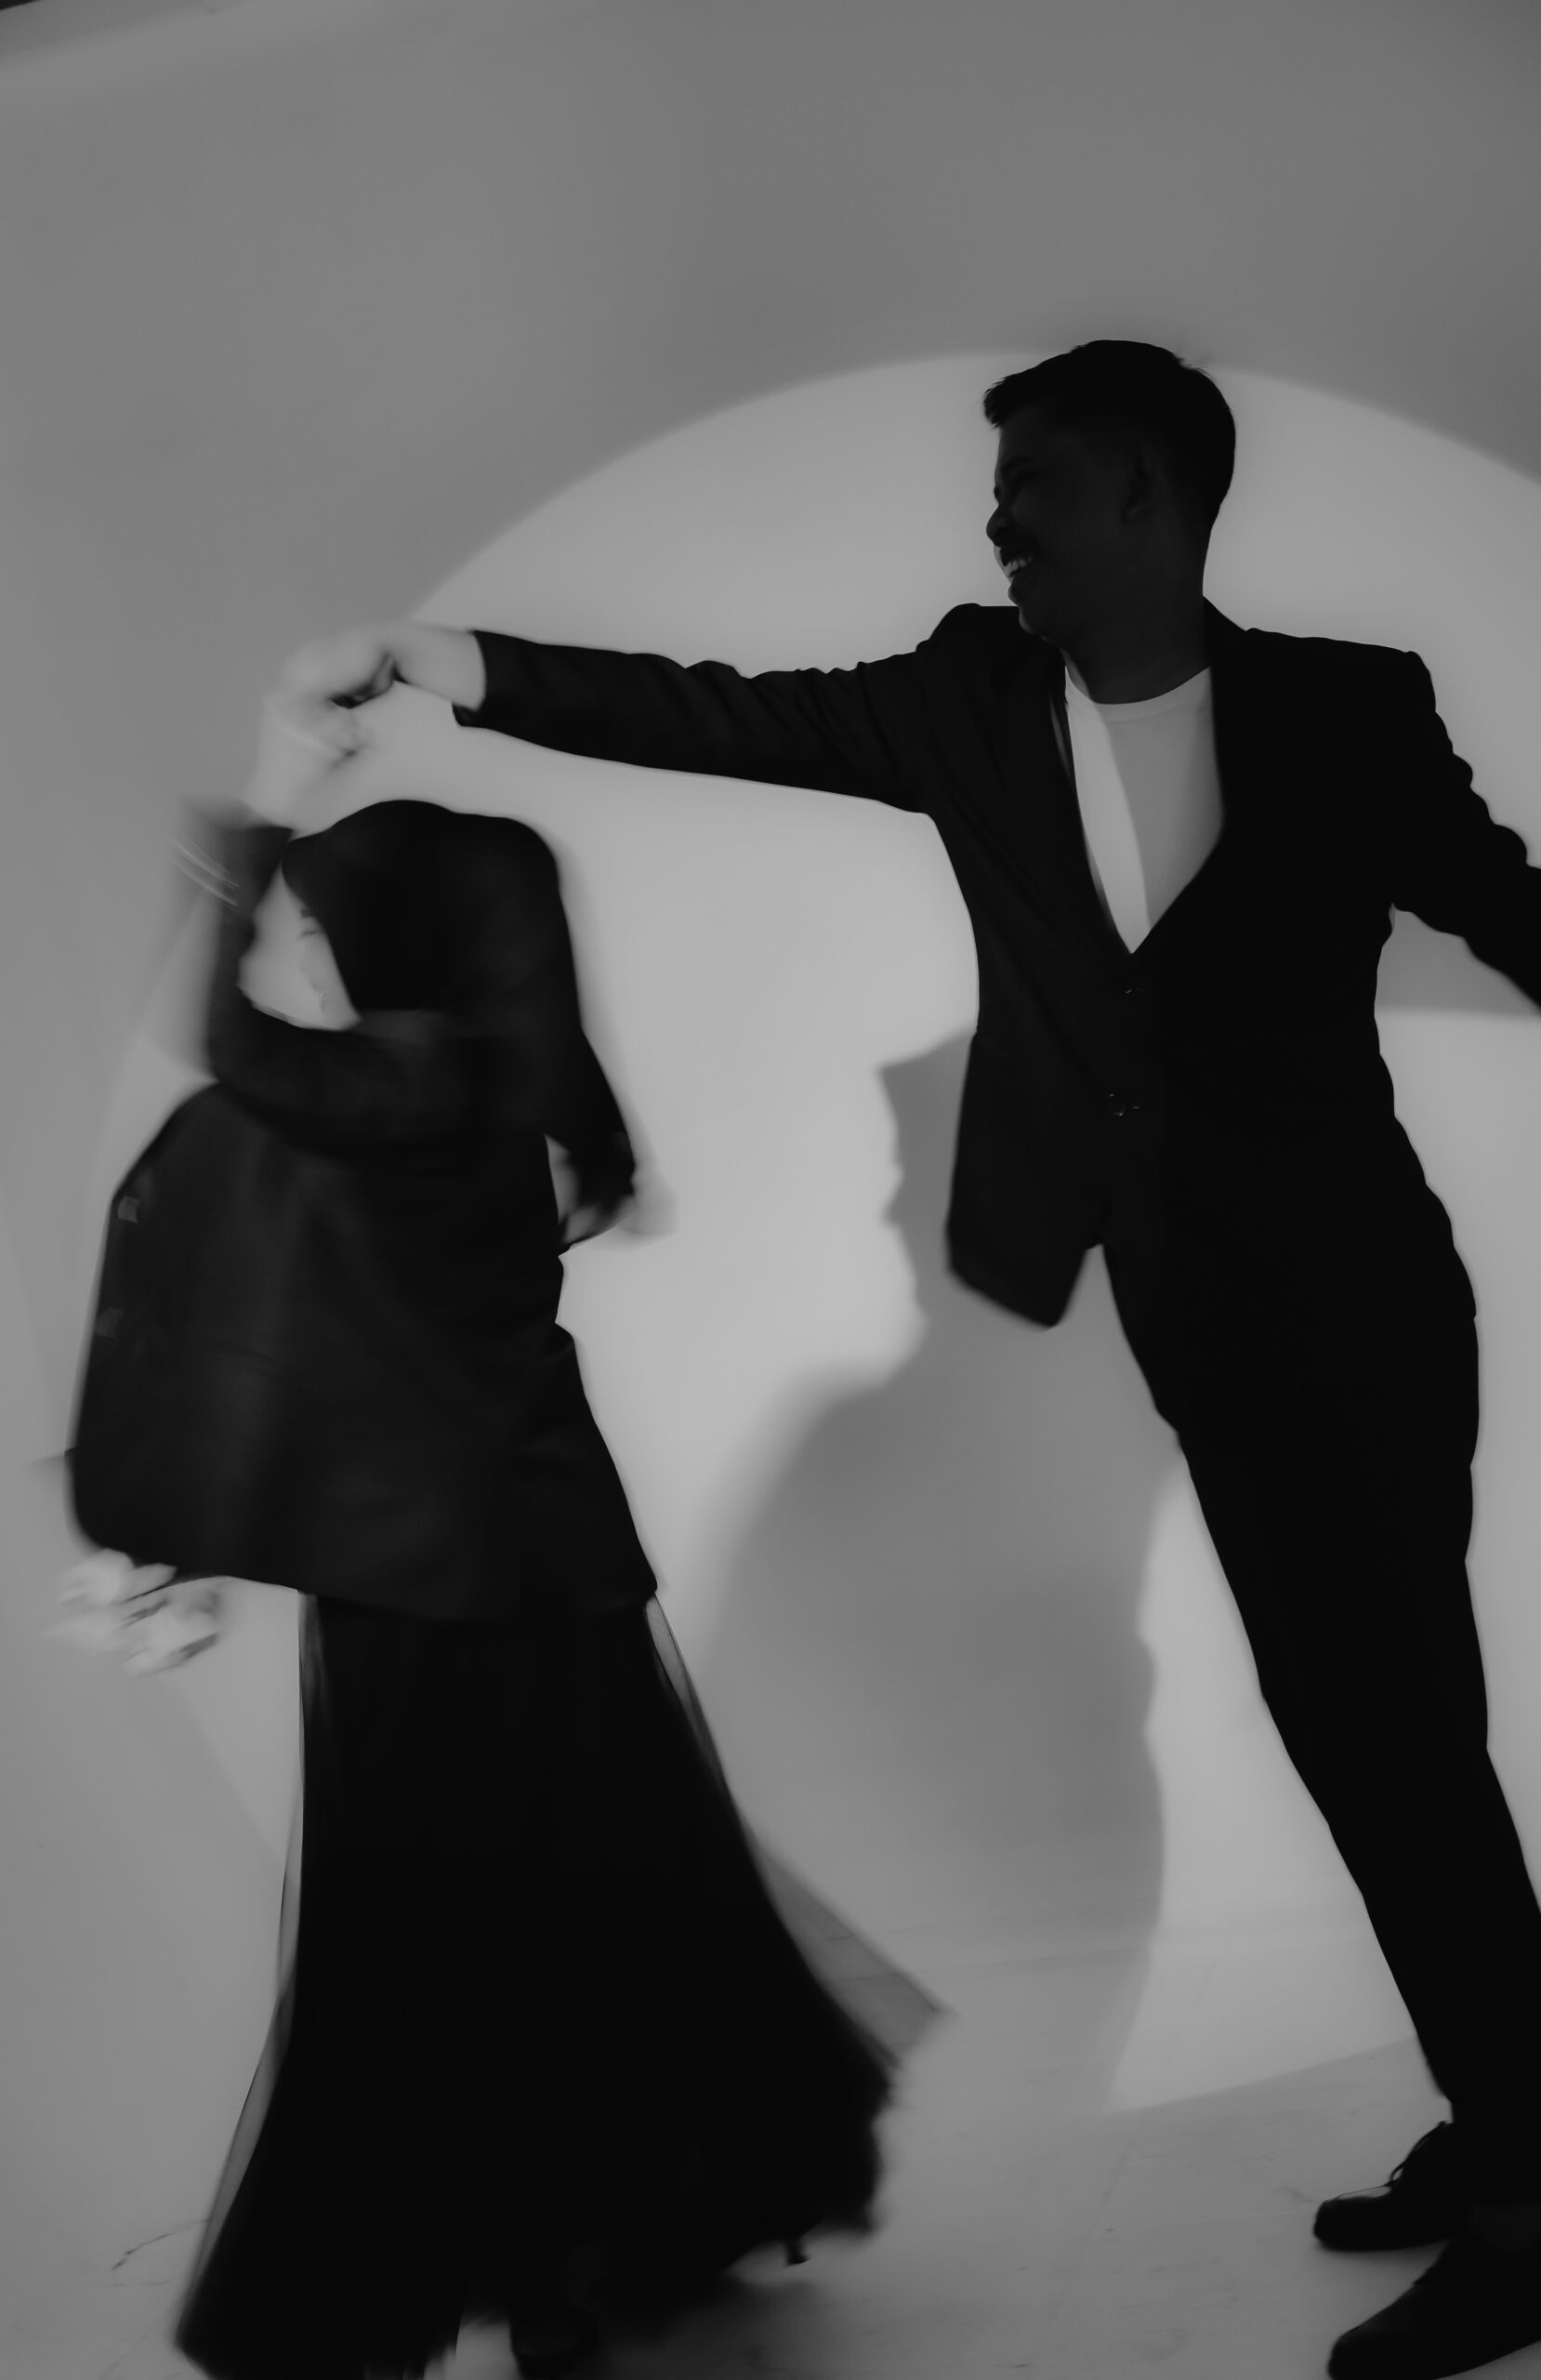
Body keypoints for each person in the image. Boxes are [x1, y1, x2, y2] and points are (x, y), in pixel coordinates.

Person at [277, 340, 1541, 2380]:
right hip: (1200, 1324)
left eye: (1032, 482)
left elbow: (1507, 910)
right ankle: (1513, 2110)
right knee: (1372, 1731)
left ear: (1144, 495)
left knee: (1394, 1733)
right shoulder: (967, 694)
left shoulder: (1345, 706)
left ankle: (1526, 2200)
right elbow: (716, 713)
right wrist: (445, 664)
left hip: (1368, 1307)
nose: (996, 520)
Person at [165, 700, 901, 2380]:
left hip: (419, 1586)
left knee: (445, 1922)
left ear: (398, 938)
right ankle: (607, 2225)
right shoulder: (520, 1090)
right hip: (557, 1565)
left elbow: (229, 1048)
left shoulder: (394, 1083)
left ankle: (534, 2259)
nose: (311, 956)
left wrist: (254, 828)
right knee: (592, 1897)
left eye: (328, 928)